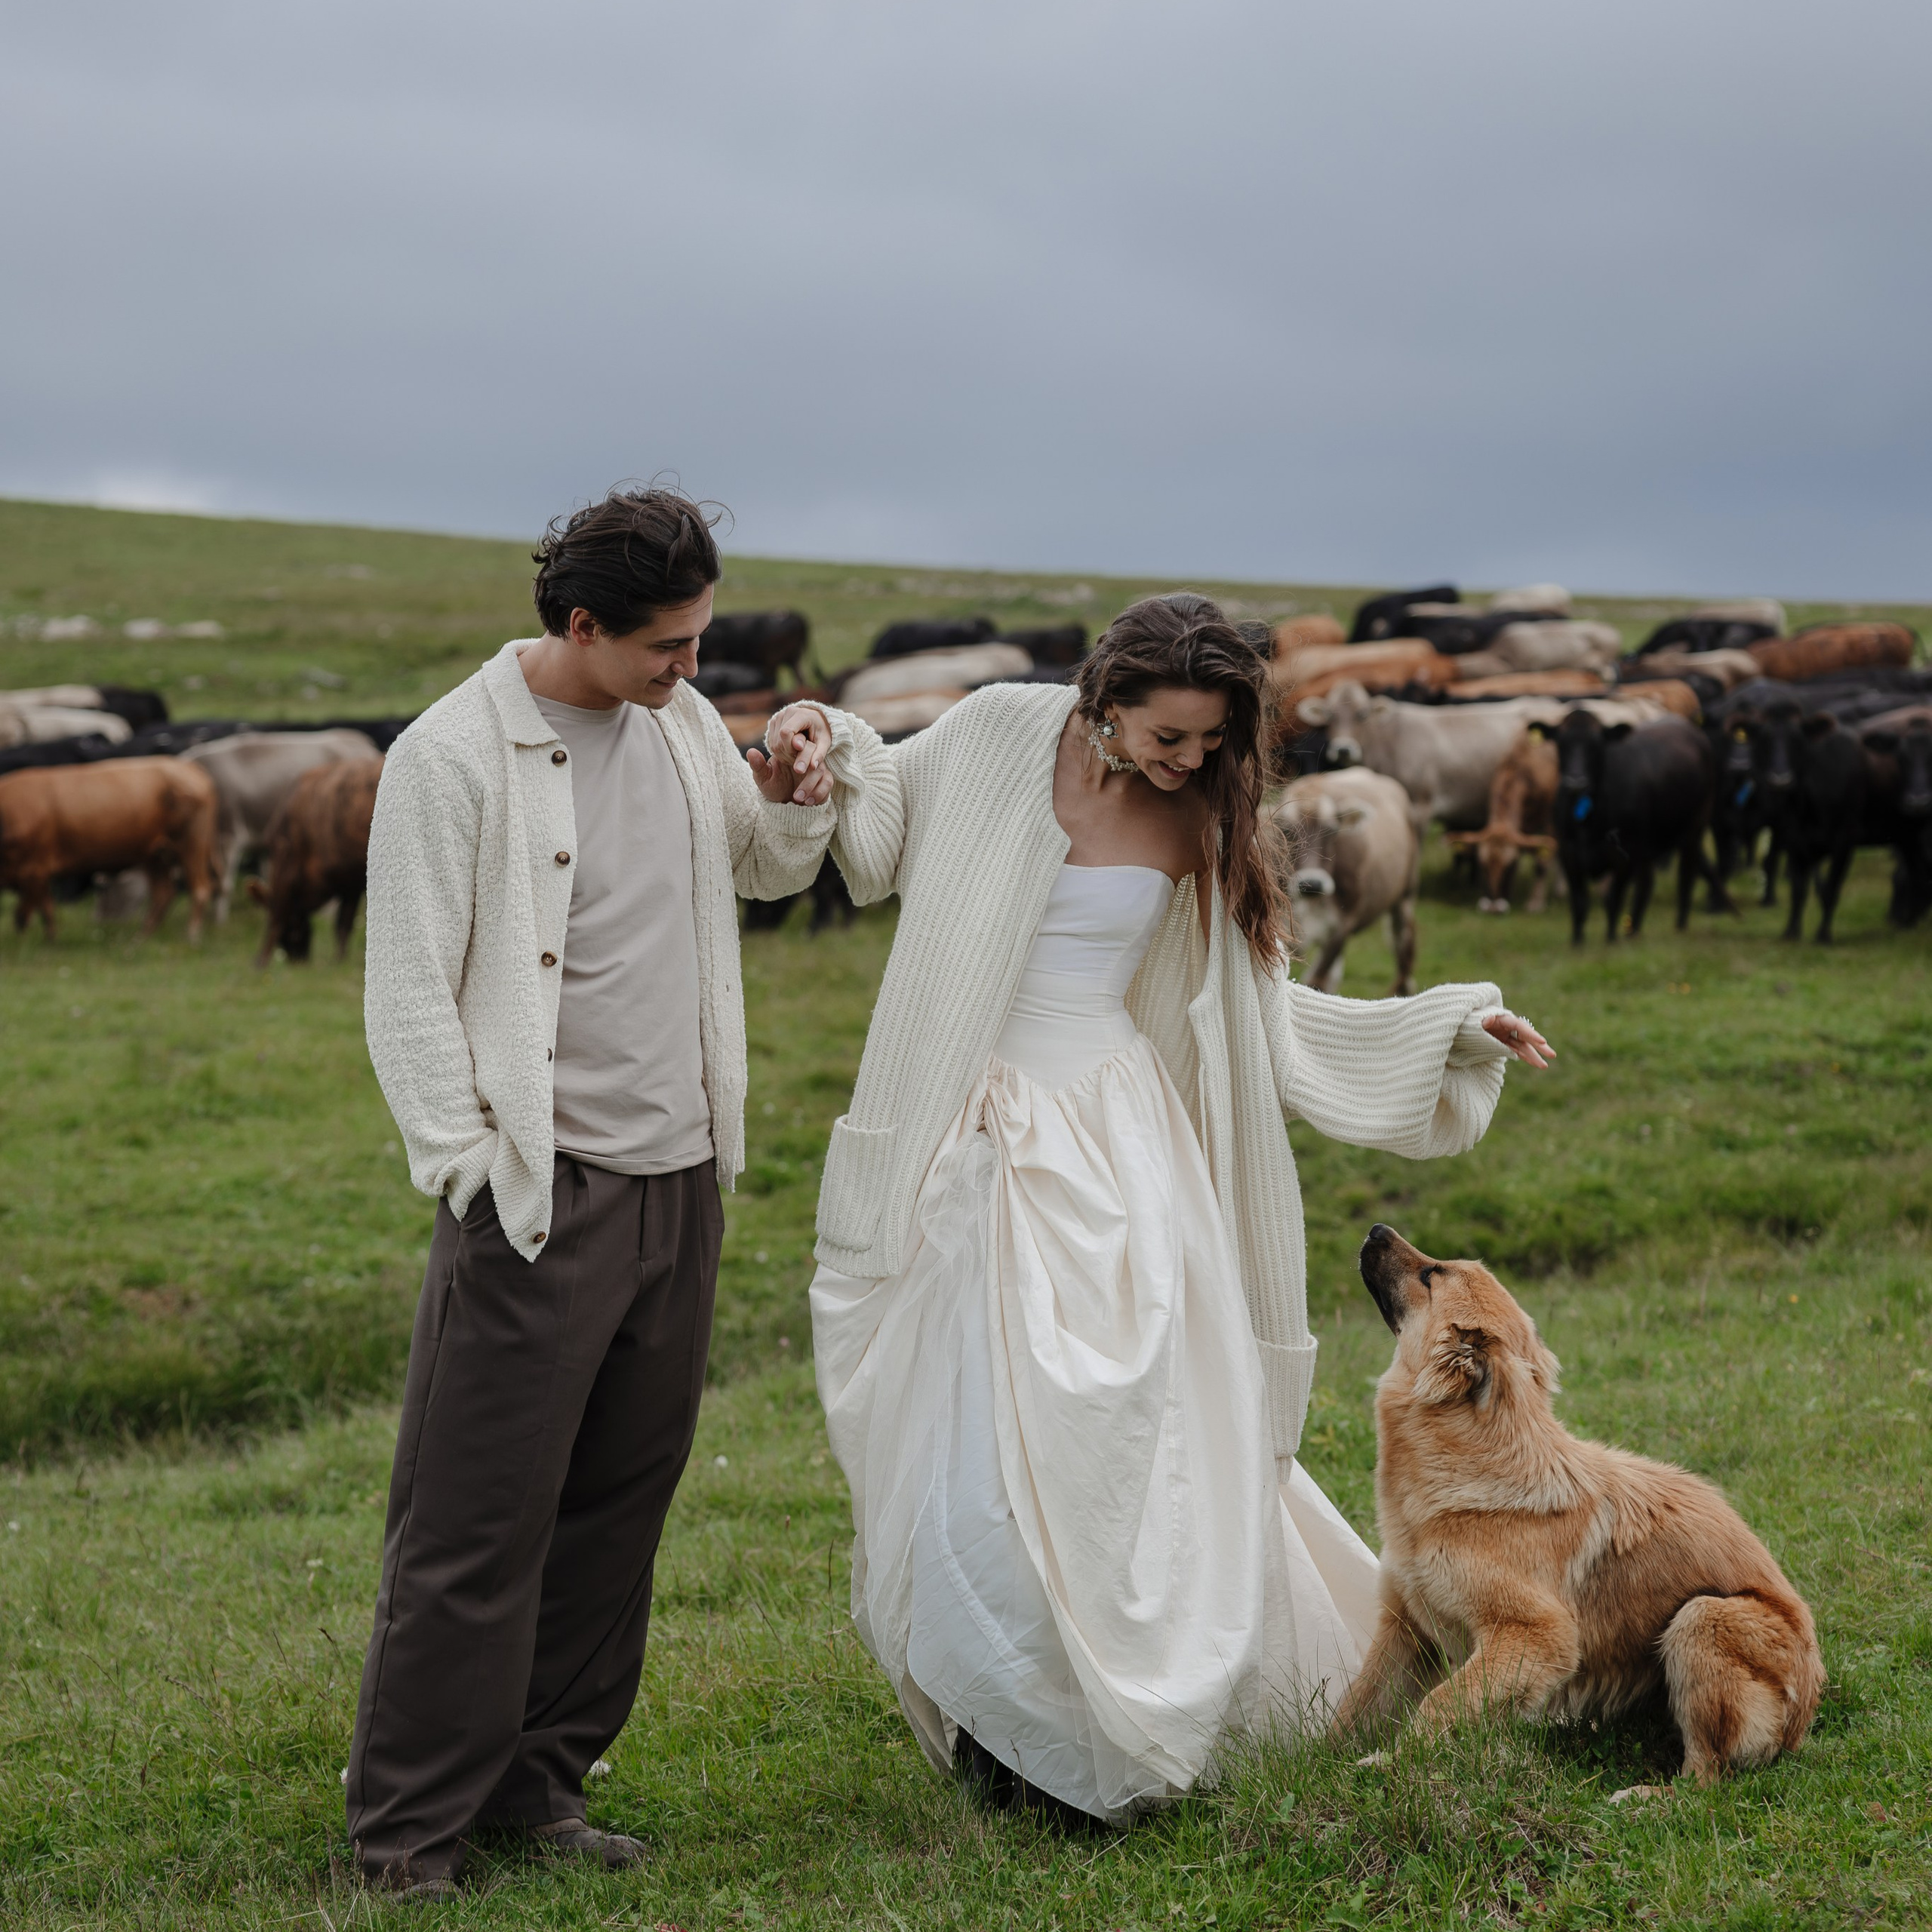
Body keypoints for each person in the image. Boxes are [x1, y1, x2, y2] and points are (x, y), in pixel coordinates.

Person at [807, 593, 1555, 1826]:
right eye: (1169, 736)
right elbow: (880, 826)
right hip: (970, 1137)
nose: (1191, 760)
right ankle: (1011, 1725)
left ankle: (1119, 1721)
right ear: (1103, 699)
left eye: (1214, 741)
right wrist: (823, 740)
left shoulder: (1204, 815)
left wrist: (1443, 1026)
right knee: (974, 1447)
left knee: (1116, 1445)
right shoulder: (1000, 730)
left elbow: (1264, 1013)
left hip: (1115, 1143)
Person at [348, 487, 849, 1898]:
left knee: (619, 1505)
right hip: (537, 1195)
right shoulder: (451, 758)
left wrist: (797, 776)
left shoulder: (684, 725)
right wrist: (474, 1170)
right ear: (581, 624)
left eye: (699, 642)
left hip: (681, 1181)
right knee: (472, 1528)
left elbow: (759, 866)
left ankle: (537, 1789)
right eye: (669, 647)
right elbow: (406, 998)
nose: (694, 670)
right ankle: (405, 1842)